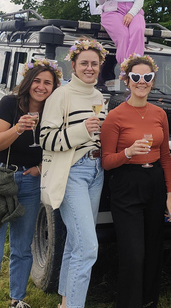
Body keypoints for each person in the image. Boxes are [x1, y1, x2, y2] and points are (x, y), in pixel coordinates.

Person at [0, 58, 61, 308]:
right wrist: (18, 129)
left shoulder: (53, 111)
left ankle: (17, 301)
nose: (42, 87)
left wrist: (40, 169)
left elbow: (59, 148)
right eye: (37, 80)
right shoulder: (10, 103)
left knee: (22, 250)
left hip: (30, 184)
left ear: (54, 86)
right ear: (27, 82)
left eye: (48, 82)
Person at [100, 54, 171, 308]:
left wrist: (169, 194)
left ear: (152, 81)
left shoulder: (160, 113)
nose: (141, 82)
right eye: (136, 77)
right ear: (127, 80)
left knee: (154, 249)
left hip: (154, 181)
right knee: (134, 254)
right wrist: (128, 153)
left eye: (147, 77)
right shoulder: (115, 116)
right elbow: (107, 161)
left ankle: (149, 302)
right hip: (126, 183)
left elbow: (165, 156)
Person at [40, 38, 107, 308]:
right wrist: (82, 130)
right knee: (88, 248)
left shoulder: (99, 96)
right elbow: (46, 138)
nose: (89, 68)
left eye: (94, 63)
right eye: (84, 63)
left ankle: (66, 302)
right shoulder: (61, 95)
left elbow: (99, 136)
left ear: (100, 66)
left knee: (75, 242)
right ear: (74, 65)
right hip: (73, 172)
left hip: (96, 171)